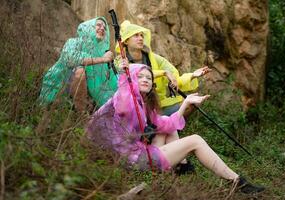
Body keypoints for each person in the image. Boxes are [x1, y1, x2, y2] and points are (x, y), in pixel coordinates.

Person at [86, 64, 265, 194]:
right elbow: (124, 107)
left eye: (149, 77)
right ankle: (236, 182)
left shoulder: (142, 104)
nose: (146, 80)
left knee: (165, 123)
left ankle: (181, 167)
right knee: (195, 140)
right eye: (140, 76)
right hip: (130, 160)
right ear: (131, 79)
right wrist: (125, 78)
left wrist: (186, 103)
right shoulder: (122, 97)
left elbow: (168, 124)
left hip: (133, 155)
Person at [114, 20, 212, 173]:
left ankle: (175, 159)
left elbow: (175, 77)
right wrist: (162, 74)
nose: (141, 38)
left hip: (158, 106)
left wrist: (193, 75)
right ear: (125, 41)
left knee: (192, 104)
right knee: (167, 127)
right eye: (135, 36)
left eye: (141, 35)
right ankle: (179, 160)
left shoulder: (153, 58)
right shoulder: (121, 62)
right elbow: (125, 81)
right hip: (137, 113)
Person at [39, 17, 117, 112]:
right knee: (80, 71)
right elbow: (70, 58)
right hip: (63, 85)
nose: (102, 28)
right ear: (89, 27)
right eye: (98, 25)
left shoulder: (101, 52)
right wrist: (102, 59)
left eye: (104, 28)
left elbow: (110, 78)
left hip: (90, 91)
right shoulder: (74, 42)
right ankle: (80, 115)